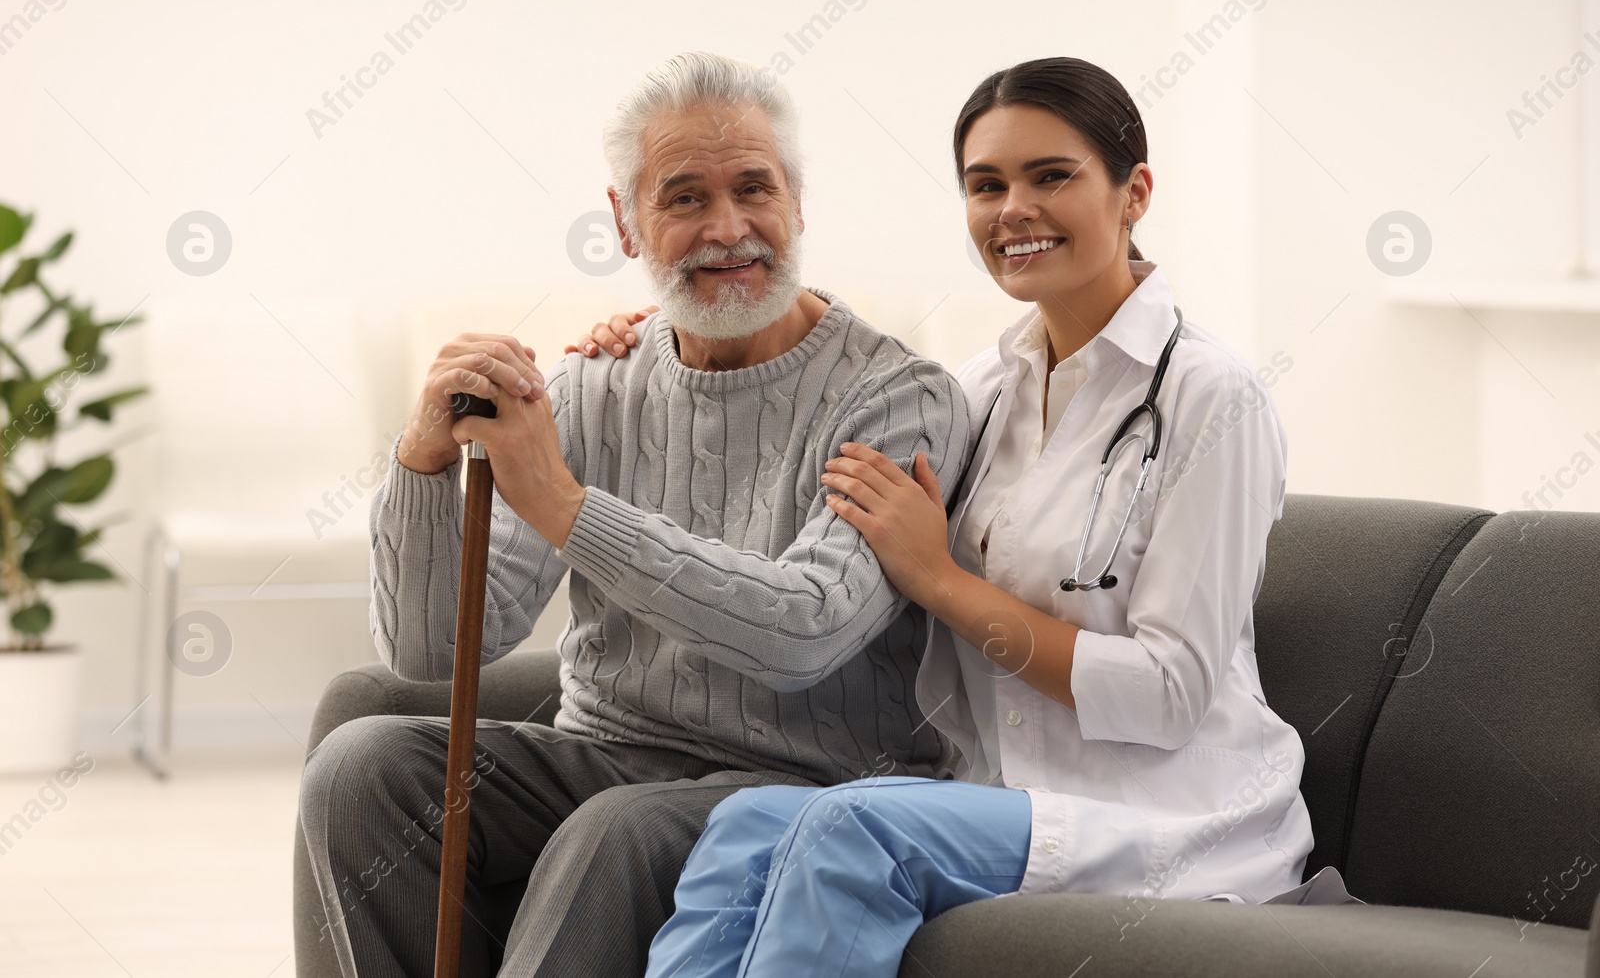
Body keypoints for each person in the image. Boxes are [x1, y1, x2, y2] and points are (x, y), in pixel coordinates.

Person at [569, 57, 1324, 978]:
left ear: (1135, 194)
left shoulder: (1215, 401)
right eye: (985, 184)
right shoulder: (979, 391)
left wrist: (943, 581)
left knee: (849, 831)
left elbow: (1171, 696)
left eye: (1052, 176)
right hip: (995, 798)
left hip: (1166, 812)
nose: (1013, 208)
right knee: (745, 823)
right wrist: (654, 331)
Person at [297, 51, 972, 978]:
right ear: (626, 222)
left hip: (813, 783)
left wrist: (572, 510)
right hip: (604, 753)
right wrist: (420, 461)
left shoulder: (896, 396)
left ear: (799, 206)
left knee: (614, 832)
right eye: (684, 197)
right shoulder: (589, 388)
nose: (726, 227)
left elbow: (804, 632)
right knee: (362, 767)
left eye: (753, 188)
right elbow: (428, 652)